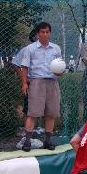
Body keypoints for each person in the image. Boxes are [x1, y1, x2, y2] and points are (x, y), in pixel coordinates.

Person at [20, 22, 63, 151]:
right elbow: (24, 67)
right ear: (38, 34)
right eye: (42, 32)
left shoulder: (56, 48)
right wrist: (24, 83)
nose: (45, 34)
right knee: (32, 113)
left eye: (47, 32)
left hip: (52, 82)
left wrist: (59, 72)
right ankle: (27, 142)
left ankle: (48, 141)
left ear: (50, 33)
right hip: (36, 82)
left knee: (51, 113)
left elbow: (60, 65)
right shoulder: (30, 48)